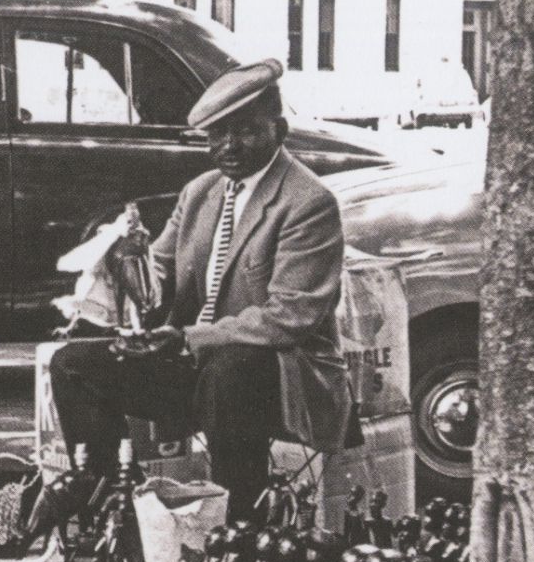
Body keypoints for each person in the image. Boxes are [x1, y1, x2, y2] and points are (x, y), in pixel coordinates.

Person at [46, 59, 349, 522]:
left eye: (246, 131)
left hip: (280, 375)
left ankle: (237, 525)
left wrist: (189, 338)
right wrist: (125, 264)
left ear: (280, 130)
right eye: (217, 134)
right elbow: (159, 274)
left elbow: (290, 318)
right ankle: (109, 507)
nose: (228, 146)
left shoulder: (308, 202)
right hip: (199, 363)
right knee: (74, 364)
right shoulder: (200, 192)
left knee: (231, 371)